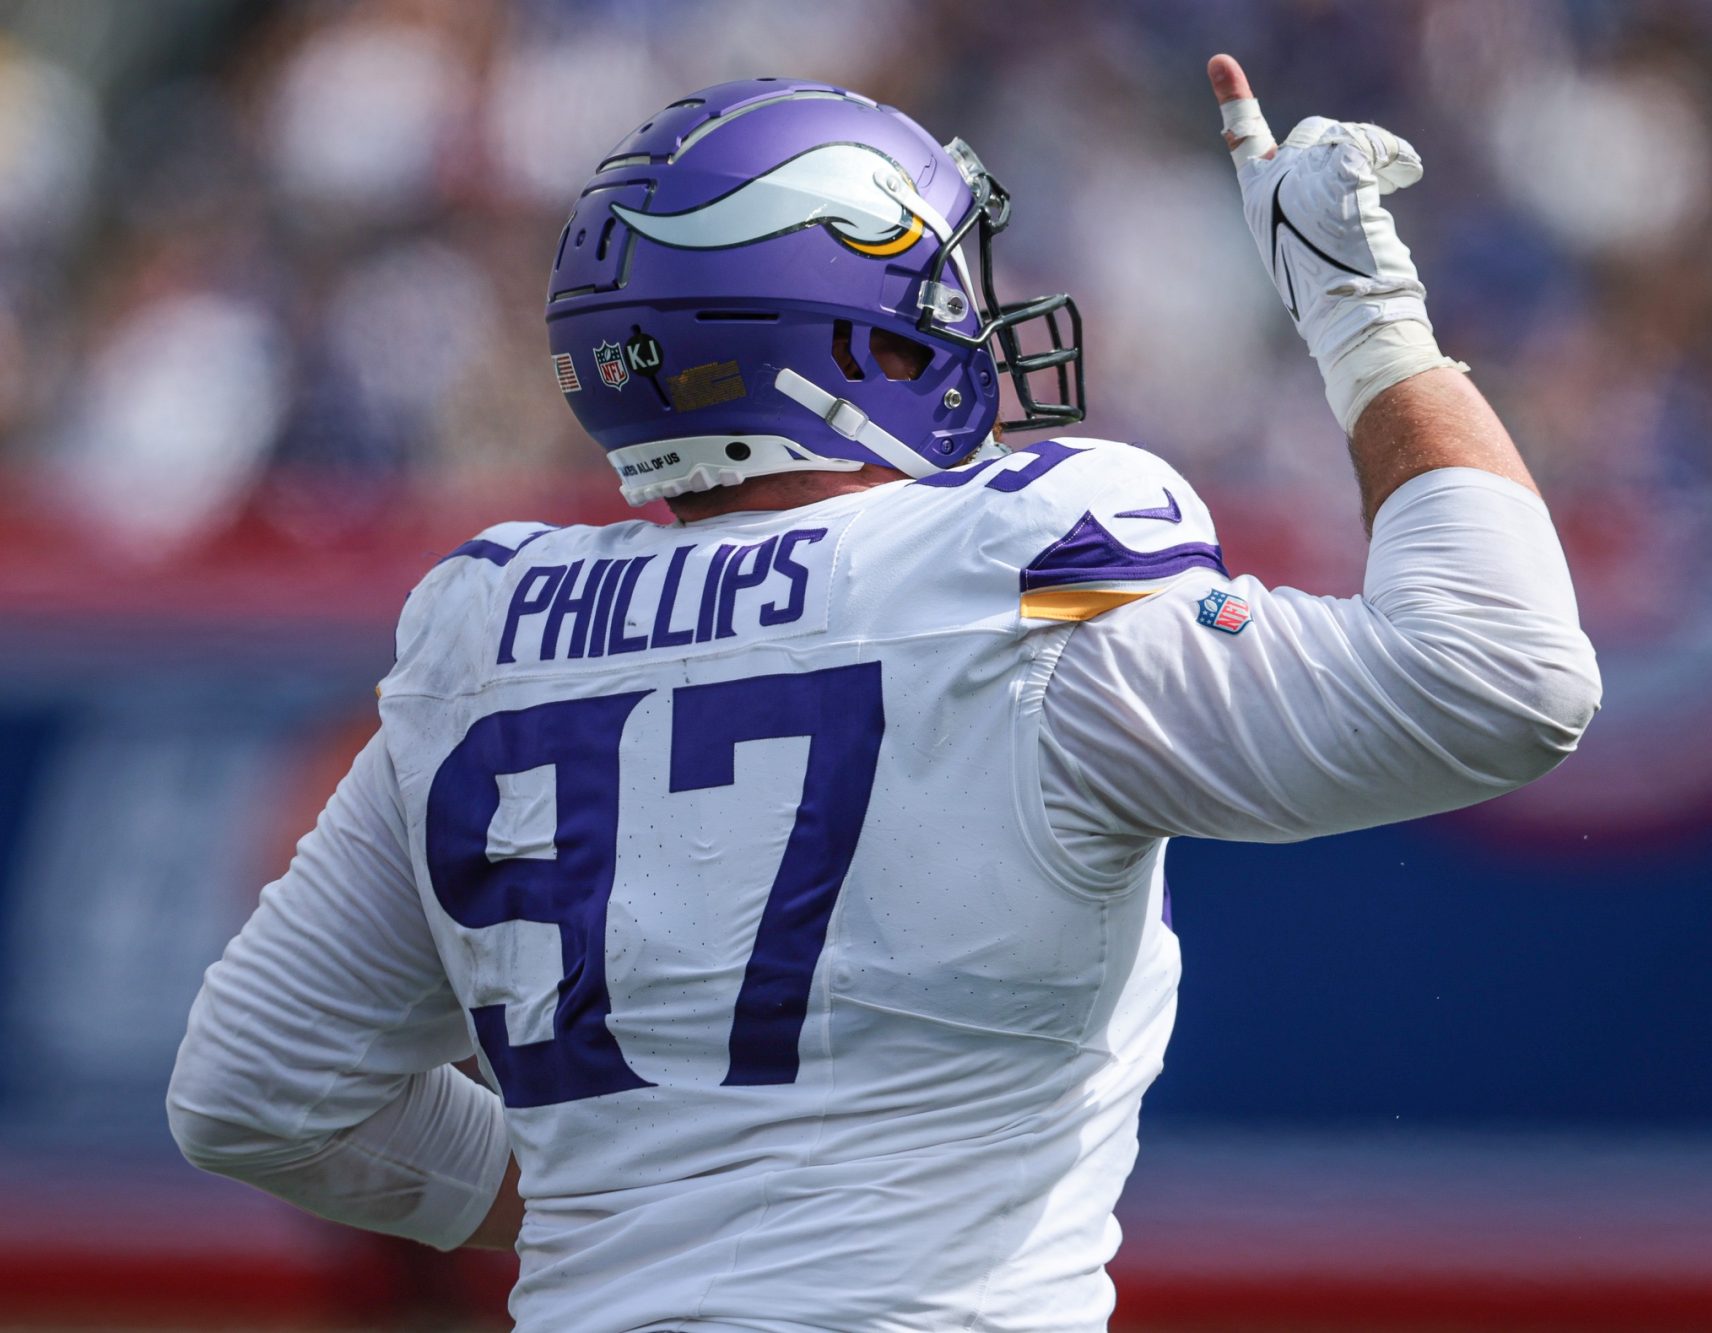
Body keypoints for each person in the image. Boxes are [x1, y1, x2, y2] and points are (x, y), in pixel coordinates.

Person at [169, 57, 1599, 1333]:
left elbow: (256, 1091)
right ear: (850, 336)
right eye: (938, 293)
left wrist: (629, 1223)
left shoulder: (491, 626)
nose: (974, 326)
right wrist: (1370, 320)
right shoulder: (1009, 567)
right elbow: (1499, 673)